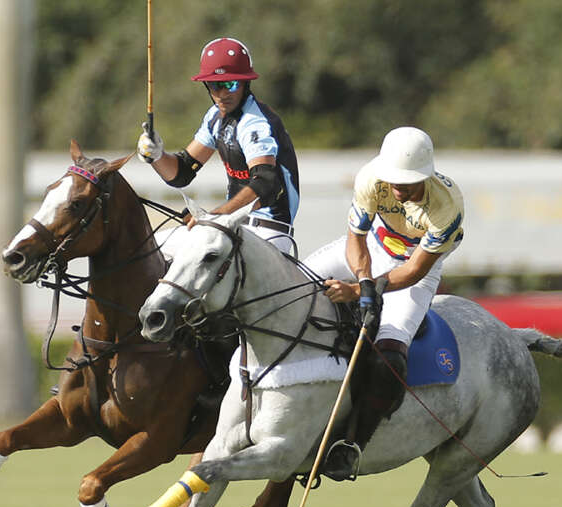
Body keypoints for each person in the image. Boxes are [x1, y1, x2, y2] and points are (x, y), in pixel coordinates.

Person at [304, 126, 464, 478]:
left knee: (389, 356)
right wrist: (361, 281)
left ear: (425, 176)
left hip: (414, 265)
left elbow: (413, 271)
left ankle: (351, 446)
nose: (396, 189)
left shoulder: (447, 207)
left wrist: (360, 292)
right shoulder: (371, 177)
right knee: (296, 285)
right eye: (392, 181)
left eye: (405, 184)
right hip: (374, 247)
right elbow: (355, 241)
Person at [137, 37, 300, 255]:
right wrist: (157, 155)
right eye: (214, 85)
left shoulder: (255, 122)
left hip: (268, 232)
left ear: (245, 84)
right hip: (234, 227)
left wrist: (215, 217)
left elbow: (266, 183)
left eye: (230, 84)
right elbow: (182, 173)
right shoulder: (215, 117)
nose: (222, 94)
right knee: (150, 251)